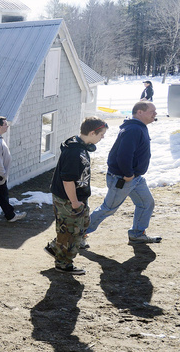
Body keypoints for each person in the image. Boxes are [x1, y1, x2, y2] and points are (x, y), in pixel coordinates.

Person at [84, 101, 161, 245]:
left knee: (146, 203)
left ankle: (137, 234)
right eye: (152, 111)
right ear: (140, 112)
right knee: (108, 209)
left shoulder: (139, 127)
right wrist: (128, 174)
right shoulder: (133, 129)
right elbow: (123, 155)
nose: (155, 114)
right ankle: (78, 235)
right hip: (123, 178)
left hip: (135, 178)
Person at [44, 117, 109, 275]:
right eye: (101, 135)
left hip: (77, 198)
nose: (102, 138)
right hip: (69, 200)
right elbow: (68, 181)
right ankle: (63, 264)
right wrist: (74, 202)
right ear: (92, 133)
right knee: (72, 232)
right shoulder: (75, 152)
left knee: (82, 224)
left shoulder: (80, 146)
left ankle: (55, 248)